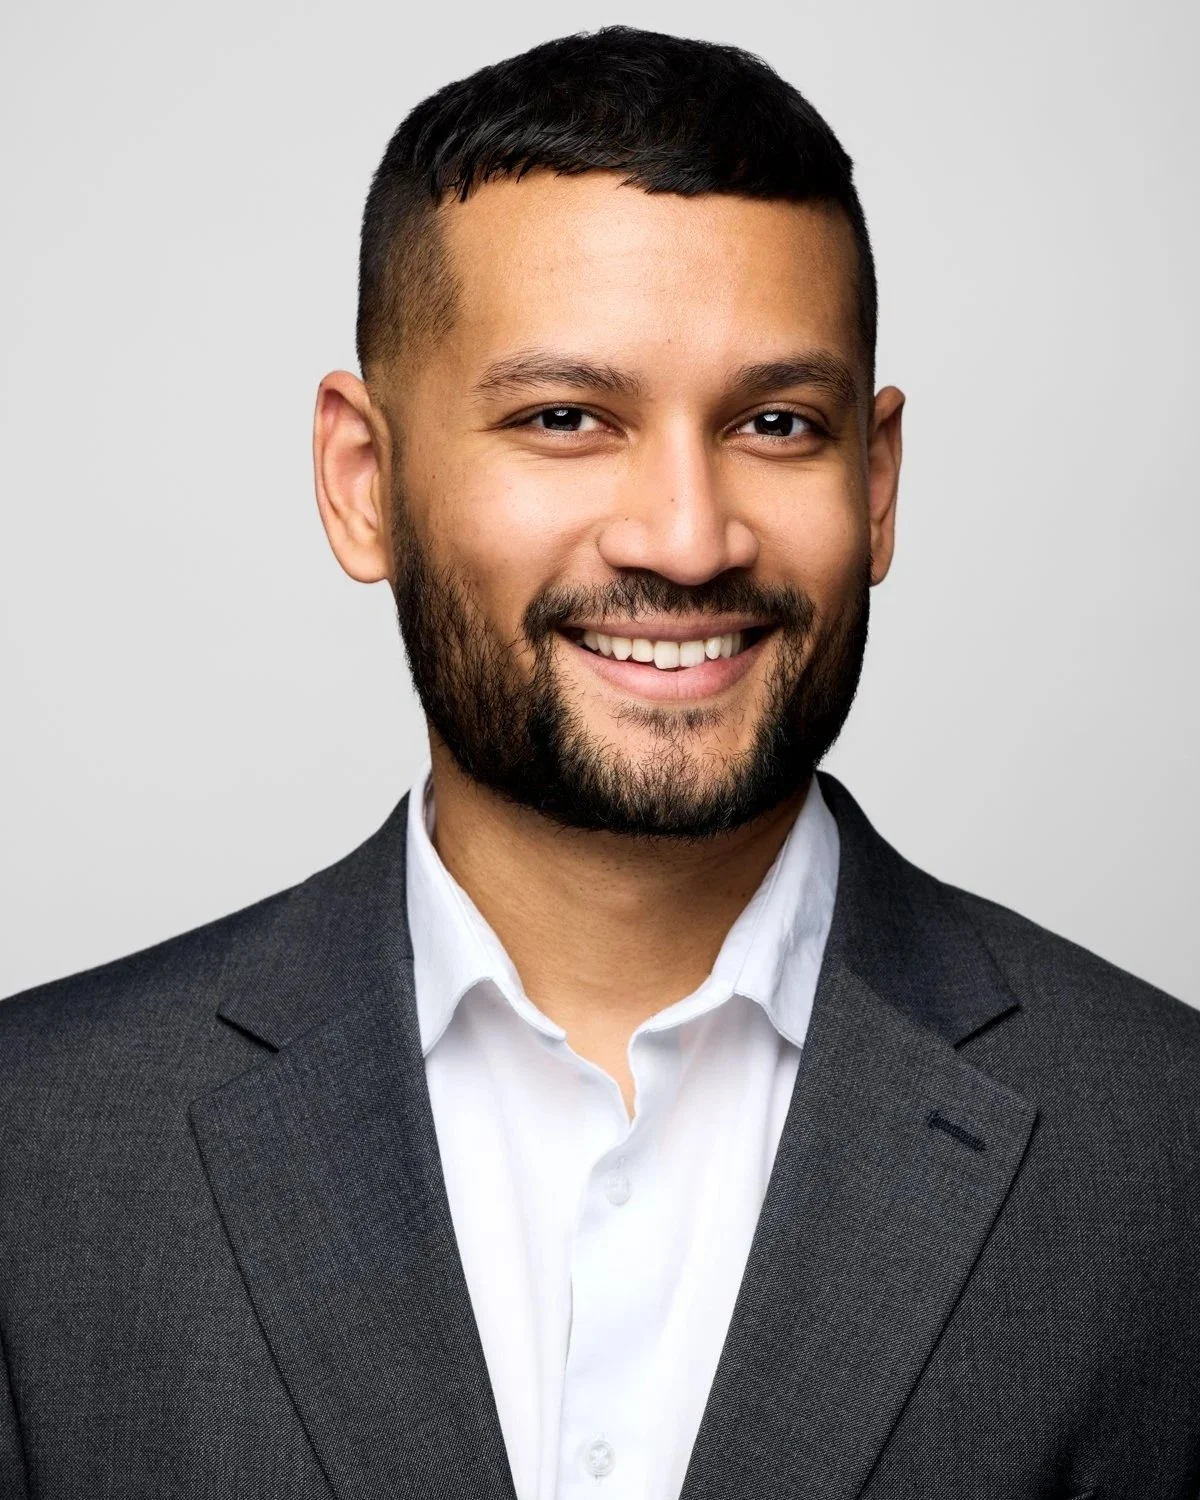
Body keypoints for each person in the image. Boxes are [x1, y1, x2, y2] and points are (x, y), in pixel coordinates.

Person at [1, 24, 1197, 1500]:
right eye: (567, 419)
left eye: (777, 423)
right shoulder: (35, 1150)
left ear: (875, 486)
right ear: (362, 484)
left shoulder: (1165, 1149)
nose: (686, 538)